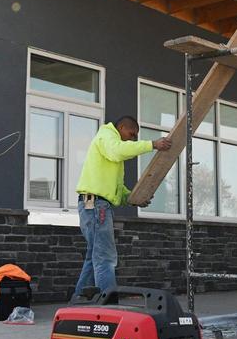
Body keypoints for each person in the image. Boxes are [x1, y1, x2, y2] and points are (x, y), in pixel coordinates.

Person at [72, 115, 171, 297]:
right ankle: (108, 303)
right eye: (132, 134)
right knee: (105, 257)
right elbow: (118, 150)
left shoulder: (109, 146)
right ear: (122, 127)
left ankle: (79, 300)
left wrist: (134, 198)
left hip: (92, 202)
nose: (132, 139)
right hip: (96, 204)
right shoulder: (107, 137)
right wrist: (152, 144)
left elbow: (116, 189)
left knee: (94, 256)